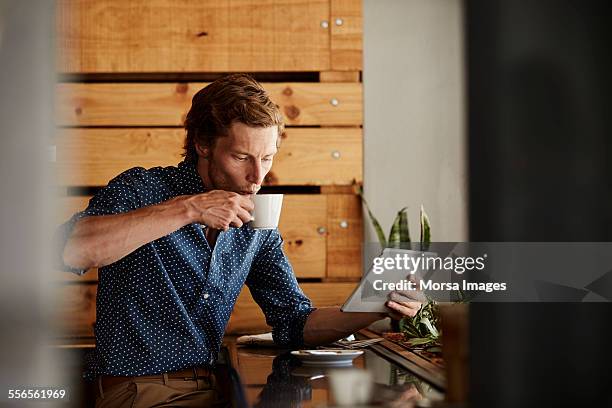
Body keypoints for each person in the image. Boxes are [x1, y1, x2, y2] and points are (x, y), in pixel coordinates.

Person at [56, 74, 421, 407]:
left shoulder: (256, 222)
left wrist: (375, 306)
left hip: (216, 387)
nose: (257, 176)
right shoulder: (144, 189)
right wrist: (189, 209)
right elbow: (72, 249)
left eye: (267, 158)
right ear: (202, 143)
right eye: (241, 157)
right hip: (138, 390)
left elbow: (294, 321)